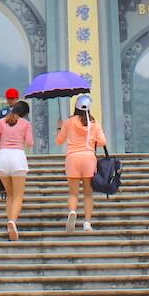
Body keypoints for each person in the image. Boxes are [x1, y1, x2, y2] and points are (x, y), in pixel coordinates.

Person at [56, 93, 107, 233]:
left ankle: (72, 211)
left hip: (72, 158)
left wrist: (60, 127)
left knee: (73, 193)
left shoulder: (68, 122)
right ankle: (87, 223)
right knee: (88, 194)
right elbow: (103, 142)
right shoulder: (94, 124)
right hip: (89, 159)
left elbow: (59, 141)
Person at [0, 99, 33, 241]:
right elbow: (29, 143)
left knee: (10, 194)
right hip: (17, 158)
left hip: (2, 158)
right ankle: (13, 221)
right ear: (25, 113)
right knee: (18, 195)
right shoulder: (25, 124)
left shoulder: (1, 121)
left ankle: (10, 221)